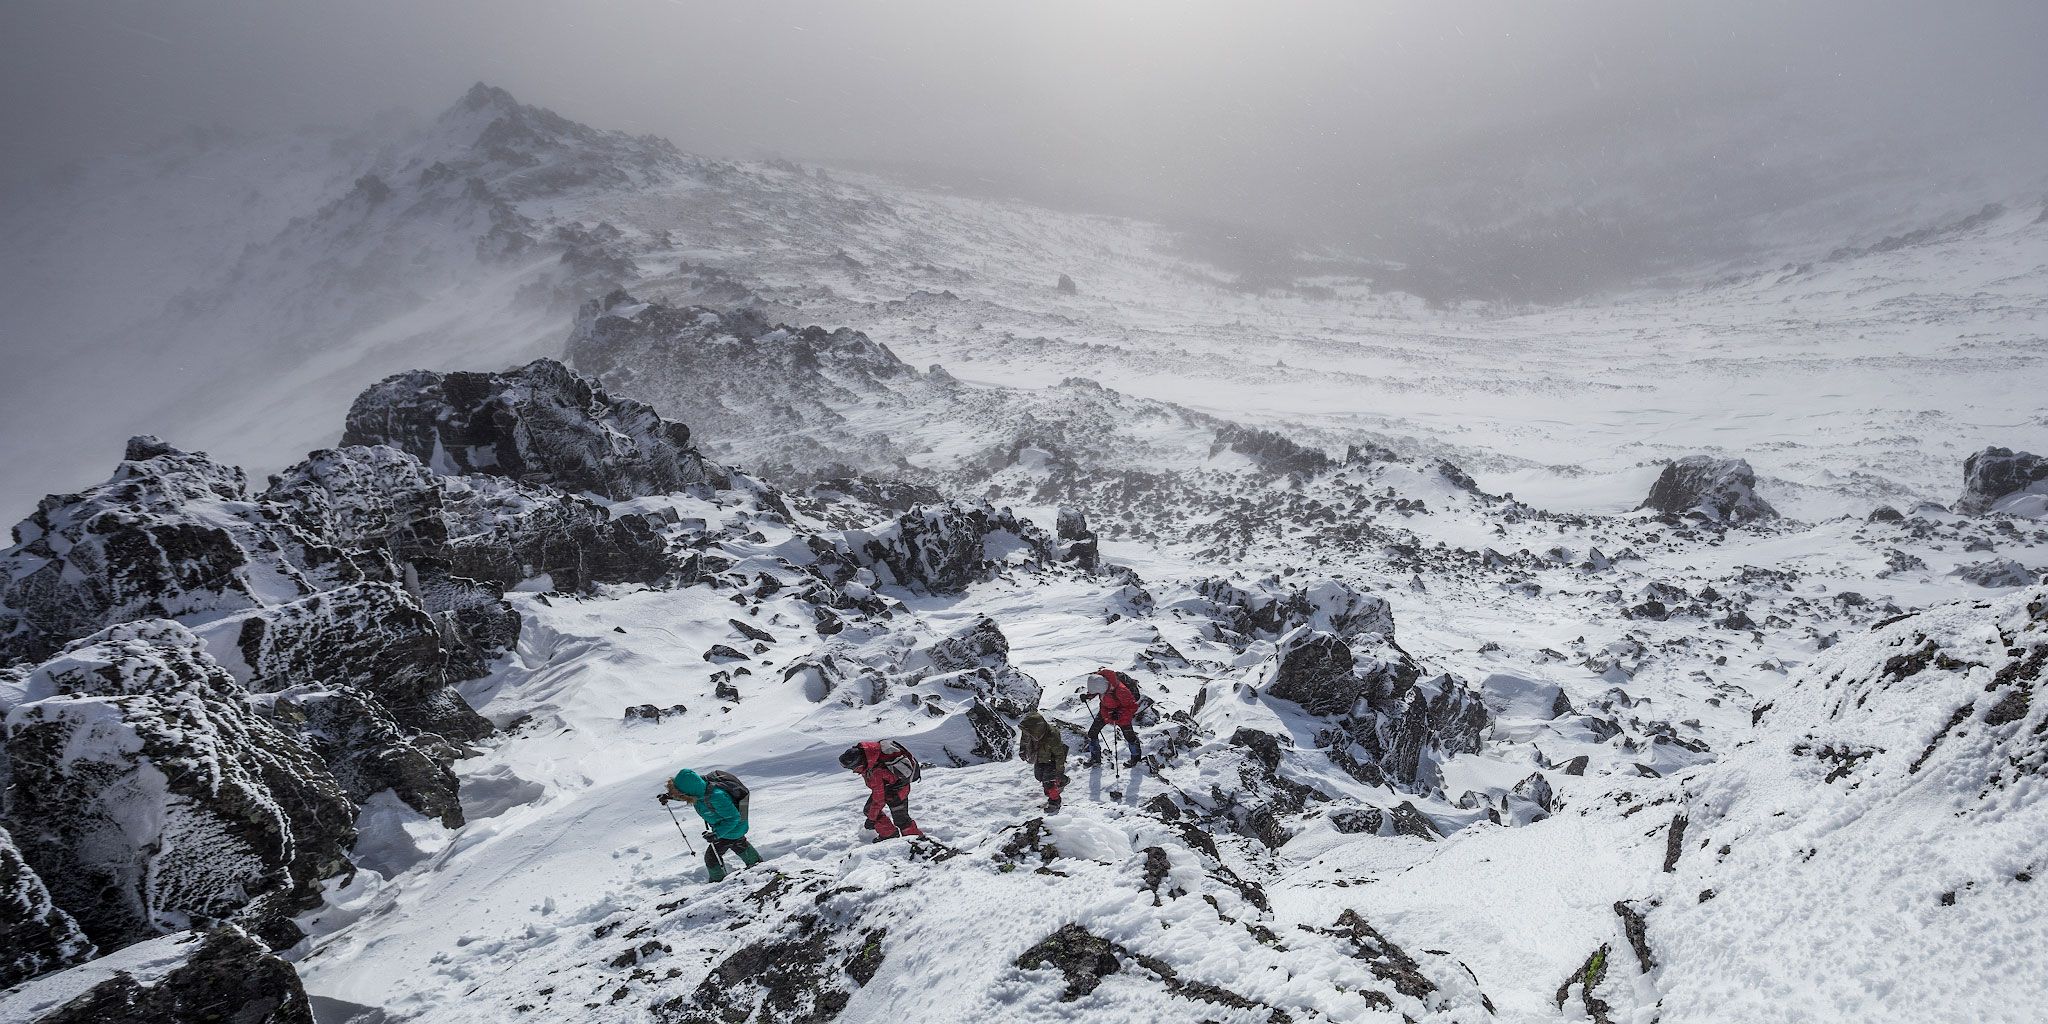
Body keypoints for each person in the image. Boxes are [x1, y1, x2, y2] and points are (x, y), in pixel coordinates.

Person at [659, 768, 762, 882]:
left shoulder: (716, 797)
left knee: (712, 858)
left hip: (731, 829)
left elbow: (733, 818)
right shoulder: (700, 789)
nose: (682, 795)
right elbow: (687, 795)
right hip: (728, 828)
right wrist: (670, 796)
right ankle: (758, 865)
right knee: (739, 844)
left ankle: (718, 882)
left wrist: (716, 834)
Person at [838, 740, 923, 840]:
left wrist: (871, 820)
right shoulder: (871, 756)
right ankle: (890, 835)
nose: (853, 771)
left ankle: (917, 841)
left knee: (901, 820)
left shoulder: (875, 772)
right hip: (896, 787)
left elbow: (879, 800)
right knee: (874, 811)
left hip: (897, 793)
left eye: (853, 768)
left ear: (859, 764)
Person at [1081, 668, 1142, 768]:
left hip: (1121, 715)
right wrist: (1088, 696)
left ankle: (1136, 759)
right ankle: (1095, 759)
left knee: (1129, 736)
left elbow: (1132, 706)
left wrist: (1119, 713)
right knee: (1092, 733)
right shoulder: (1100, 681)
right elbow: (1097, 690)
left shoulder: (1121, 690)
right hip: (1105, 711)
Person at [1018, 709, 1070, 813]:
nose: (1028, 734)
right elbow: (1024, 739)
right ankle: (1062, 780)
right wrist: (1023, 750)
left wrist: (1059, 771)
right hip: (1040, 756)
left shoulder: (1052, 736)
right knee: (1039, 776)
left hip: (1053, 759)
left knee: (1048, 782)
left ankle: (1055, 802)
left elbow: (1059, 755)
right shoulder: (1030, 729)